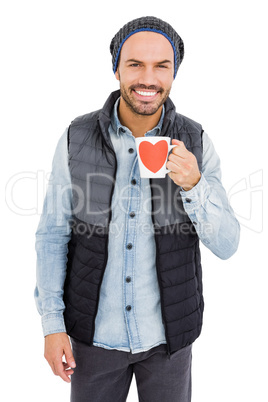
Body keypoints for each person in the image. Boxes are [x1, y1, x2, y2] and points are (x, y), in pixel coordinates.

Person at [35, 16, 240, 402]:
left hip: (169, 342)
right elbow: (52, 234)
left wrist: (195, 185)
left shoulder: (194, 139)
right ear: (116, 68)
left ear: (174, 73)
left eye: (161, 66)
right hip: (92, 338)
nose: (148, 79)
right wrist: (51, 325)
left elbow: (228, 244)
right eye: (135, 64)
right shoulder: (76, 137)